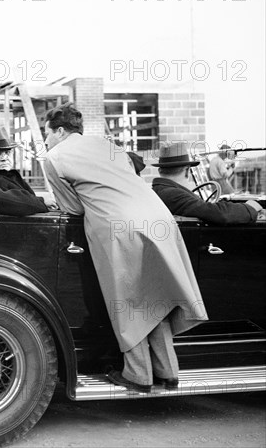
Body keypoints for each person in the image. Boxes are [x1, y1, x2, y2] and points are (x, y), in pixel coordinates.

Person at [43, 103, 208, 393]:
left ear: (59, 131)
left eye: (47, 134)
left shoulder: (55, 156)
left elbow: (72, 208)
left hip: (120, 227)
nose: (45, 141)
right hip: (159, 220)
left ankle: (138, 375)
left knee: (127, 301)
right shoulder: (111, 146)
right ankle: (167, 372)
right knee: (154, 297)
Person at [152, 142, 263, 224]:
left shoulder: (160, 191)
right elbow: (218, 214)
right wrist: (250, 208)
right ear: (187, 171)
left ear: (159, 170)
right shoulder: (172, 194)